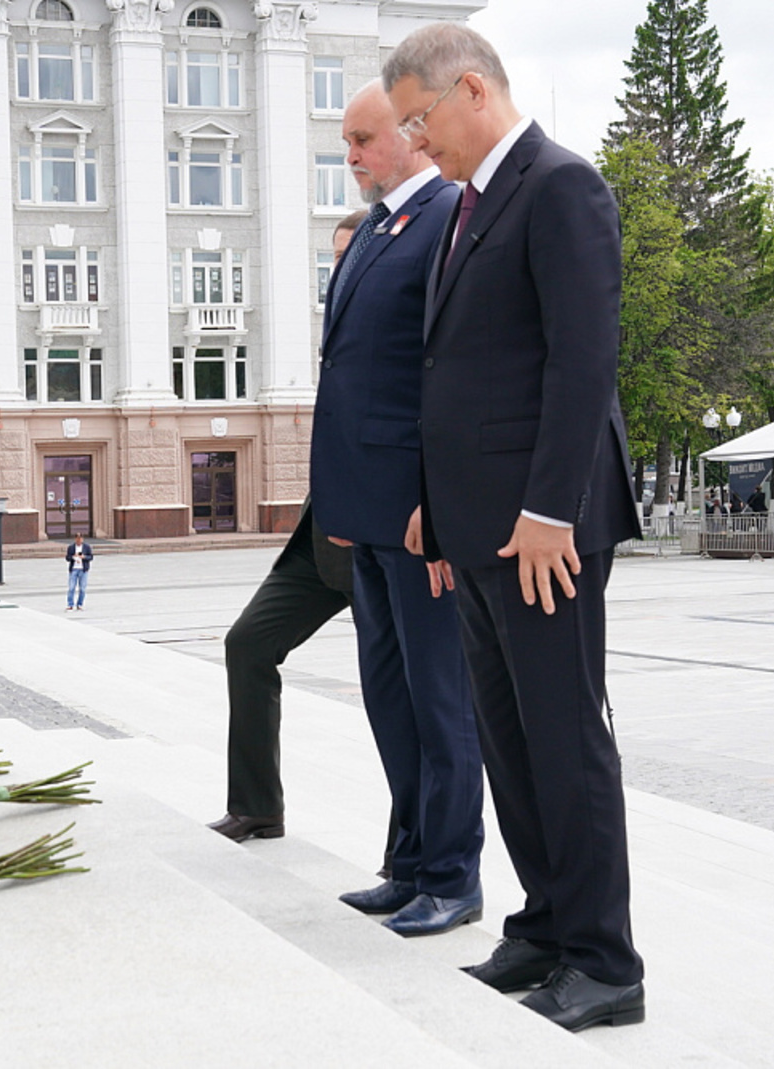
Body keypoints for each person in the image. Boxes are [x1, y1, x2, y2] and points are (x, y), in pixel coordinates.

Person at [386, 23, 645, 1031]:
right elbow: (452, 371)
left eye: (418, 118)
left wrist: (547, 513)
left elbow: (582, 364)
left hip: (546, 530)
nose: (416, 141)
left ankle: (605, 961)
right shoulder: (472, 206)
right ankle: (543, 925)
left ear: (470, 92)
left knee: (564, 737)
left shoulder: (559, 185)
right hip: (483, 530)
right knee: (508, 738)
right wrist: (439, 514)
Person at [311, 84, 482, 938]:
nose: (352, 155)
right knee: (389, 696)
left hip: (417, 517)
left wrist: (436, 499)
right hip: (367, 510)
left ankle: (453, 873)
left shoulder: (450, 214)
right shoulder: (380, 227)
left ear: (414, 137)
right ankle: (410, 861)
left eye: (364, 138)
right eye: (346, 141)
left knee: (440, 699)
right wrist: (341, 498)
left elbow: (445, 374)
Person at [207, 213, 366, 844]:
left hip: (383, 540)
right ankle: (256, 807)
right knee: (246, 643)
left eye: (349, 257)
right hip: (321, 533)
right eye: (331, 261)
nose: (339, 272)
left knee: (402, 694)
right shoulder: (338, 326)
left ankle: (414, 854)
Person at [63, 532, 93, 610]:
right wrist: (73, 557)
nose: (79, 540)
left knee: (82, 588)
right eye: (77, 538)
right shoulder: (71, 547)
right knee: (71, 588)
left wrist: (84, 557)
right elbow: (67, 558)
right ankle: (70, 604)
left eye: (80, 538)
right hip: (74, 569)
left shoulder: (87, 547)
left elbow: (91, 557)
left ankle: (80, 604)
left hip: (83, 570)